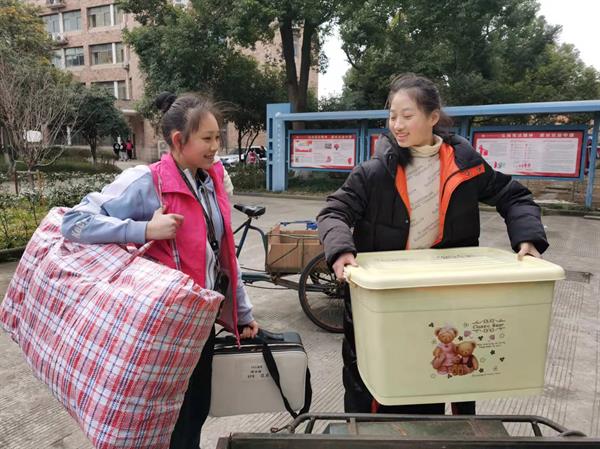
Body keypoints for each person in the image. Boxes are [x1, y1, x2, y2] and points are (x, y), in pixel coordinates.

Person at [317, 73, 548, 416]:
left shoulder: (465, 165)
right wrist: (341, 251)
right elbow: (334, 211)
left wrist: (528, 238)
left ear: (433, 117)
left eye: (407, 115)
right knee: (375, 385)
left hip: (444, 297)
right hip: (386, 299)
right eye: (392, 116)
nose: (397, 125)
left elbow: (514, 196)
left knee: (442, 375)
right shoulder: (375, 172)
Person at [61, 92, 259, 449]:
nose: (216, 147)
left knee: (194, 414)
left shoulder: (210, 180)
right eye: (208, 138)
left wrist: (241, 313)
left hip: (199, 328)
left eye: (218, 137)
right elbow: (74, 223)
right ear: (179, 141)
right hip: (159, 335)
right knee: (164, 423)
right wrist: (144, 230)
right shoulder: (146, 182)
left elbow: (224, 254)